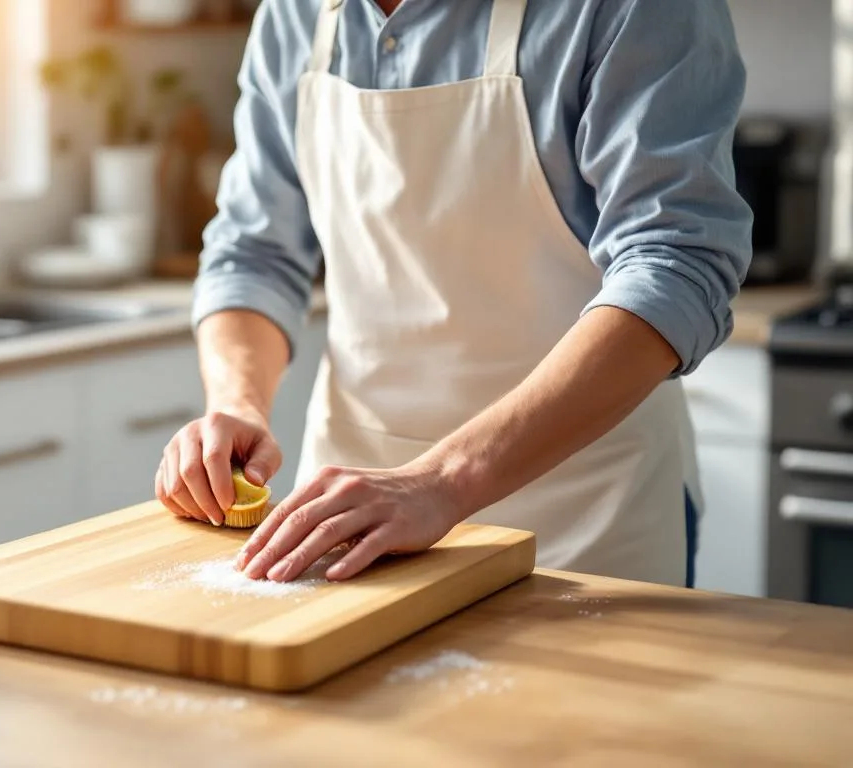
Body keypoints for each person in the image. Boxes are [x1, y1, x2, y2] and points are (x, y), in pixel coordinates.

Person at [155, 0, 752, 588]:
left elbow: (676, 264)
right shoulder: (295, 14)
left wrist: (442, 481)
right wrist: (237, 404)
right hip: (354, 525)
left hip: (587, 520)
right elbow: (254, 253)